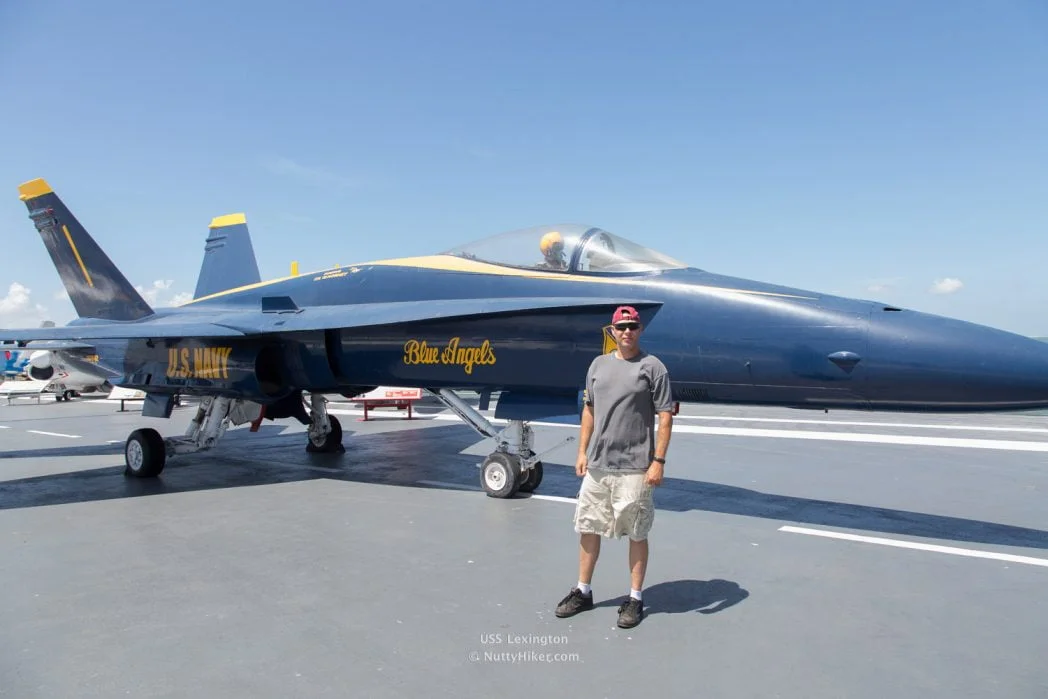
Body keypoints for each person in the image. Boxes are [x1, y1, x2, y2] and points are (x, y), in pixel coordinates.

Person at [555, 305, 674, 629]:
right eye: (620, 327)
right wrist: (582, 452)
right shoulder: (597, 365)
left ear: (640, 330)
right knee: (588, 526)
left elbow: (665, 416)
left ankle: (635, 597)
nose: (626, 332)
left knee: (637, 532)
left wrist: (658, 461)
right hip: (598, 465)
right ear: (611, 331)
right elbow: (589, 410)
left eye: (632, 326)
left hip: (636, 467)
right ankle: (583, 591)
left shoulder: (653, 367)